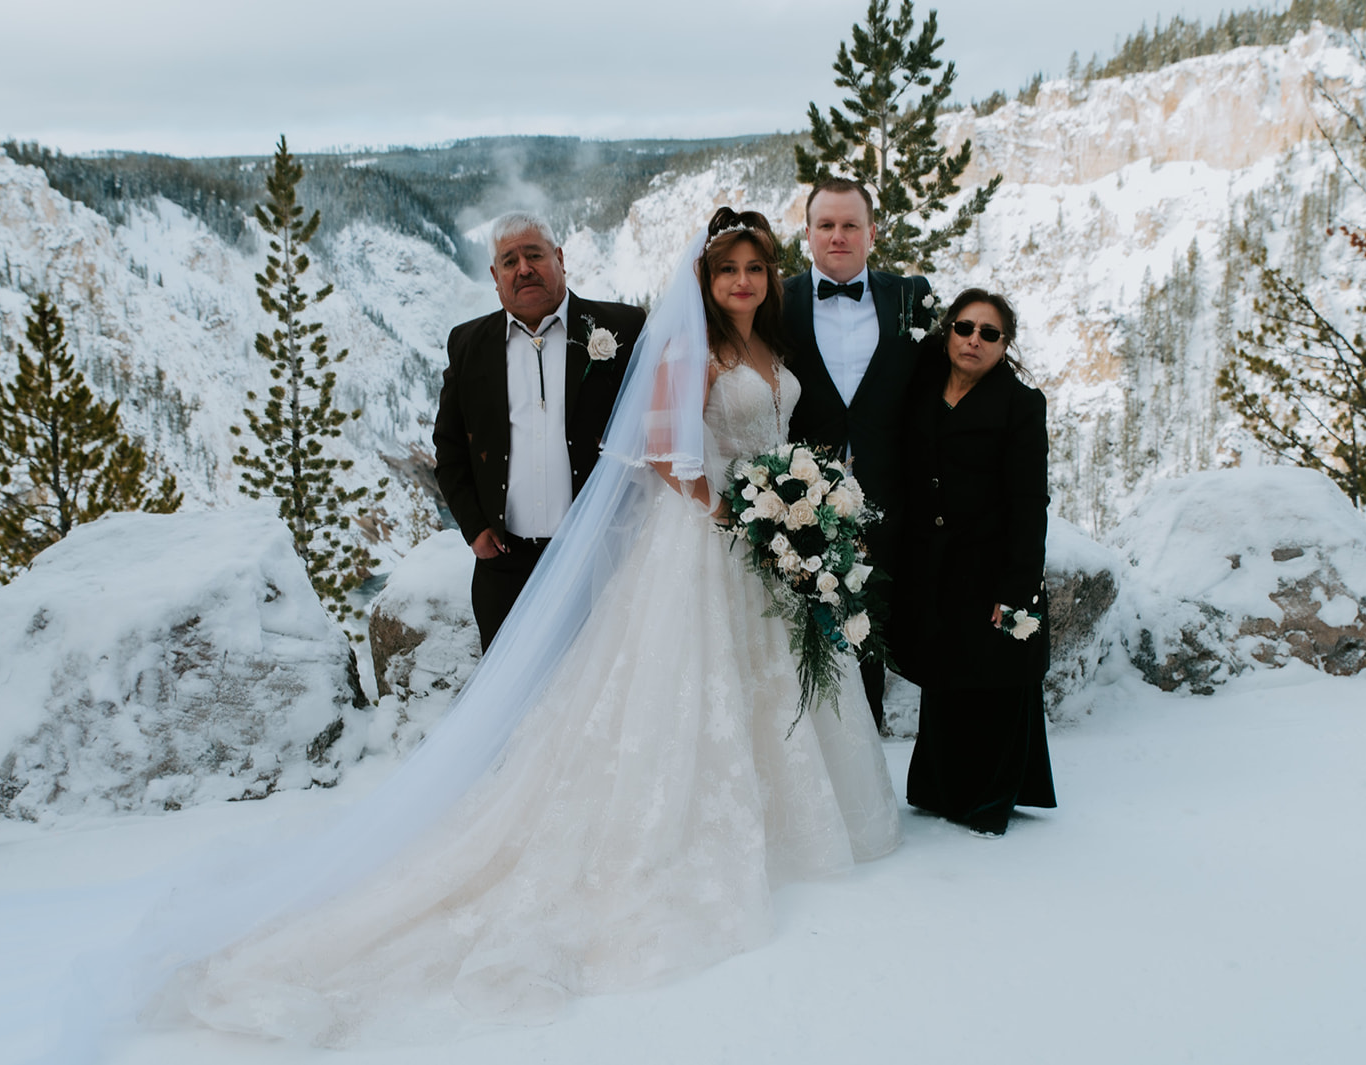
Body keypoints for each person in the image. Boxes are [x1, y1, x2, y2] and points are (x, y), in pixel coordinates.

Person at [168, 209, 901, 1043]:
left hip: (762, 546)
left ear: (772, 278)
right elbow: (664, 451)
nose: (742, 281)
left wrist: (795, 515)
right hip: (704, 542)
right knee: (667, 693)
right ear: (706, 279)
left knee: (763, 682)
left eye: (755, 269)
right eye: (727, 269)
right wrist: (738, 515)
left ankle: (789, 821)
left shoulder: (756, 348)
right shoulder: (682, 346)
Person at [433, 212, 646, 651]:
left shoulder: (624, 328)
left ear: (560, 258)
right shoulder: (468, 343)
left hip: (599, 560)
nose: (523, 268)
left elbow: (652, 432)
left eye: (534, 254)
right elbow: (450, 448)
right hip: (505, 568)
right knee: (514, 709)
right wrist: (474, 528)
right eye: (509, 261)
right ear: (495, 276)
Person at [890, 288, 1057, 838]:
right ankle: (939, 790)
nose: (973, 340)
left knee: (995, 680)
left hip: (990, 563)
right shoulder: (922, 383)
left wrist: (1016, 588)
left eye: (989, 333)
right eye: (965, 327)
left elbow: (1031, 503)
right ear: (948, 330)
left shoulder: (1020, 404)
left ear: (1004, 344)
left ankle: (990, 801)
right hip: (932, 563)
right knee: (945, 675)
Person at [783, 178, 939, 733]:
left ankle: (865, 780)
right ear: (807, 234)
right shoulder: (780, 300)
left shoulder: (911, 296)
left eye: (851, 225)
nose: (838, 236)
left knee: (870, 646)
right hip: (796, 508)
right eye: (826, 225)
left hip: (891, 506)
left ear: (872, 233)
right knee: (801, 655)